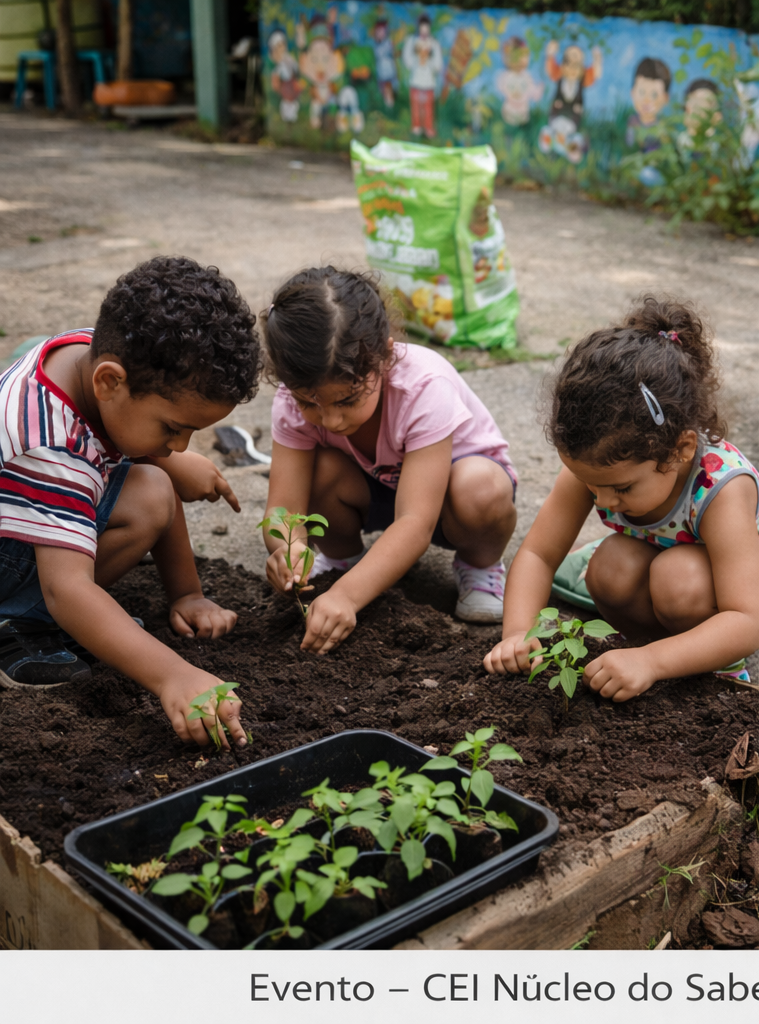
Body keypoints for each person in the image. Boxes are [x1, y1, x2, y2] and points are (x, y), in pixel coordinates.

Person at [0, 256, 260, 746]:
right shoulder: (49, 445)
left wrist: (188, 595)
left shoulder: (94, 357)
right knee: (73, 595)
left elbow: (139, 445)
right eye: (173, 428)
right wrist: (173, 675)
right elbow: (67, 589)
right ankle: (16, 626)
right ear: (109, 382)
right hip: (8, 551)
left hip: (16, 520)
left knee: (153, 488)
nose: (182, 445)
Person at [482, 297, 759, 701]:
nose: (604, 502)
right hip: (650, 572)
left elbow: (749, 620)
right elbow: (538, 555)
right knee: (609, 565)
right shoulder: (600, 465)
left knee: (679, 578)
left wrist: (653, 662)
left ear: (680, 451)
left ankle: (709, 666)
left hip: (709, 595)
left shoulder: (722, 488)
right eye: (592, 487)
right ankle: (646, 653)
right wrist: (518, 635)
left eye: (622, 489)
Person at [261, 267, 518, 653]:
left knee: (479, 488)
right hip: (371, 488)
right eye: (308, 402)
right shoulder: (290, 399)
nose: (331, 420)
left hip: (451, 500)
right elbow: (283, 508)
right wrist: (288, 547)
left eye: (347, 400)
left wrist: (347, 598)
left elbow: (415, 523)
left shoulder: (423, 388)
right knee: (321, 470)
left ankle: (479, 568)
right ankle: (344, 562)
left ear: (384, 358)